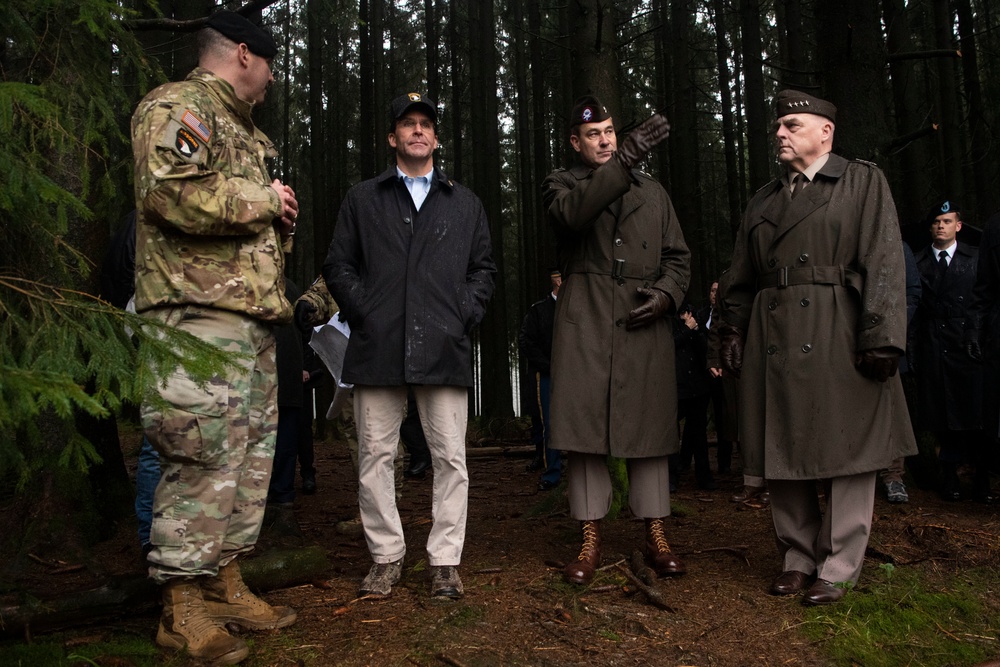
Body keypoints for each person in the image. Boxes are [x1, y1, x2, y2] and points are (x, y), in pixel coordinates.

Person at [132, 10, 300, 663]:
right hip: (194, 316)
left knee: (249, 457)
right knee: (200, 452)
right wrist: (264, 201)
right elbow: (168, 191)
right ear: (241, 53)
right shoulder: (178, 105)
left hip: (249, 317)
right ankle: (181, 605)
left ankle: (224, 579)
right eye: (269, 63)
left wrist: (277, 218)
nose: (273, 77)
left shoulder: (244, 130)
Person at [717, 90, 916, 606]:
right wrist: (732, 329)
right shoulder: (764, 198)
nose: (779, 134)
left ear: (825, 131)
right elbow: (740, 273)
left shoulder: (861, 180)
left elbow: (885, 260)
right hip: (775, 332)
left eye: (791, 124)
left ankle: (840, 563)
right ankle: (797, 556)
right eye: (778, 126)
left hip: (840, 328)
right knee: (781, 441)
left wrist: (884, 335)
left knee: (849, 446)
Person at [324, 92, 496, 600]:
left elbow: (483, 270)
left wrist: (463, 314)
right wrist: (366, 312)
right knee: (374, 456)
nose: (418, 131)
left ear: (436, 137)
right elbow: (338, 265)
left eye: (425, 124)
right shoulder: (363, 198)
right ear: (392, 137)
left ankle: (444, 560)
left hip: (444, 349)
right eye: (407, 124)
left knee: (451, 459)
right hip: (378, 348)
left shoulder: (464, 203)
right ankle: (386, 555)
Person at [544, 96, 691, 585]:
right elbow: (572, 217)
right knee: (585, 435)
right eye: (594, 134)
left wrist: (668, 296)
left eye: (610, 132)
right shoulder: (562, 184)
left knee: (649, 430)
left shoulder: (656, 193)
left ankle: (656, 532)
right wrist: (624, 161)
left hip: (641, 318)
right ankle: (589, 534)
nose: (605, 140)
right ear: (575, 142)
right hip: (584, 319)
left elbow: (678, 258)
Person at [912, 201, 992, 503]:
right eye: (936, 222)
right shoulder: (919, 262)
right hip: (934, 347)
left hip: (971, 346)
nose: (941, 226)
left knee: (977, 417)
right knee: (943, 420)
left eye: (947, 221)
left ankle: (983, 478)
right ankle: (949, 478)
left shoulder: (976, 258)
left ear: (958, 225)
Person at [879, 242, 921, 504]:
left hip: (886, 343)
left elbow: (912, 292)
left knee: (891, 410)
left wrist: (890, 332)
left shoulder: (896, 245)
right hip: (845, 341)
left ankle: (893, 476)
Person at [518, 269, 563, 491]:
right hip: (547, 375)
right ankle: (552, 473)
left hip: (578, 375)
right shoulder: (539, 310)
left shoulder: (580, 309)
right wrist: (548, 366)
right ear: (555, 280)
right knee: (550, 424)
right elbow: (526, 341)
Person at [672, 301, 715, 490]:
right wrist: (686, 329)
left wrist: (695, 330)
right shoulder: (670, 324)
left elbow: (705, 351)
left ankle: (704, 478)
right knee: (672, 437)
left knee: (699, 437)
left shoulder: (697, 321)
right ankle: (671, 479)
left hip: (697, 388)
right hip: (676, 388)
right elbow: (670, 344)